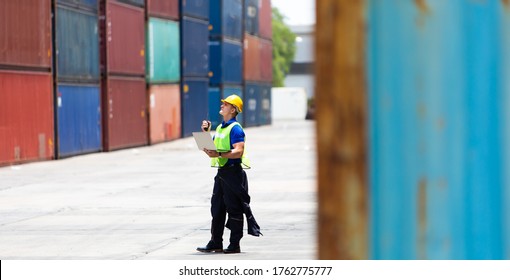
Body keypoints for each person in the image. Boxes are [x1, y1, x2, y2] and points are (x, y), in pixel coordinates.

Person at [197, 94, 262, 254]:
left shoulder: (236, 129)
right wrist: (205, 133)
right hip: (221, 174)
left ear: (233, 109)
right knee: (217, 208)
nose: (222, 106)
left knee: (234, 209)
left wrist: (219, 154)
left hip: (234, 174)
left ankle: (234, 244)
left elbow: (238, 151)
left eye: (225, 104)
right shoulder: (220, 128)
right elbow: (211, 151)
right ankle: (215, 242)